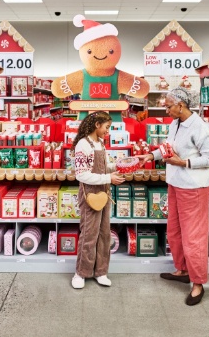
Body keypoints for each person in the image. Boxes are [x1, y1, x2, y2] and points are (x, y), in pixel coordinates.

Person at [138, 88, 209, 306]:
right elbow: (168, 149)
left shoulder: (200, 128)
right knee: (174, 231)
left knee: (193, 237)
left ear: (181, 105)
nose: (166, 109)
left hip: (193, 187)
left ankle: (198, 283)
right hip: (175, 184)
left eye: (169, 106)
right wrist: (150, 155)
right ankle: (182, 270)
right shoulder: (175, 124)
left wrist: (184, 163)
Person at [71, 111, 125, 289]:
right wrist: (109, 179)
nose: (107, 132)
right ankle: (81, 272)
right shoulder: (82, 145)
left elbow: (103, 167)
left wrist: (117, 166)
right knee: (89, 234)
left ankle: (101, 271)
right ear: (97, 125)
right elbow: (82, 175)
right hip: (90, 195)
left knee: (104, 234)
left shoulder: (100, 143)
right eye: (107, 127)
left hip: (104, 193)